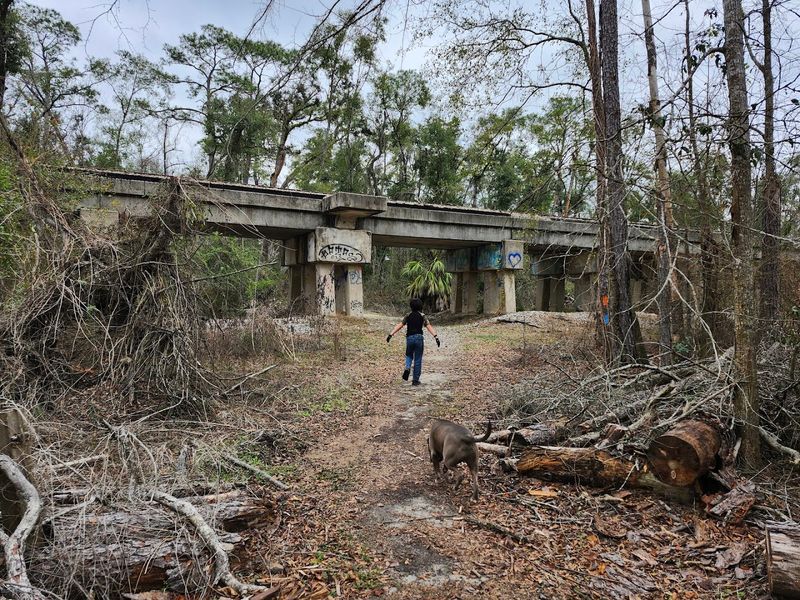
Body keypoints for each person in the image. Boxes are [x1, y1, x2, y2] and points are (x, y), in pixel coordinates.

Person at [386, 298, 440, 386]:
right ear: (420, 306)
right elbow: (428, 326)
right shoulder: (422, 316)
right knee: (418, 359)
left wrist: (391, 334)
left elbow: (400, 325)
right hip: (419, 338)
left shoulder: (408, 315)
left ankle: (407, 367)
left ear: (411, 306)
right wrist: (435, 336)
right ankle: (415, 380)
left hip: (410, 338)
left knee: (409, 355)